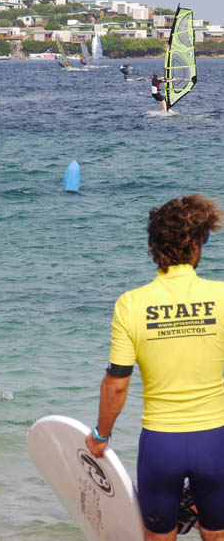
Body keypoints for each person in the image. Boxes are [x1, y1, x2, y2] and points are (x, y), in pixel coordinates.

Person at [86, 194, 224, 541]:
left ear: (155, 246)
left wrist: (101, 437)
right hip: (216, 441)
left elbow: (117, 384)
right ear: (197, 244)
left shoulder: (131, 304)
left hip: (162, 447)